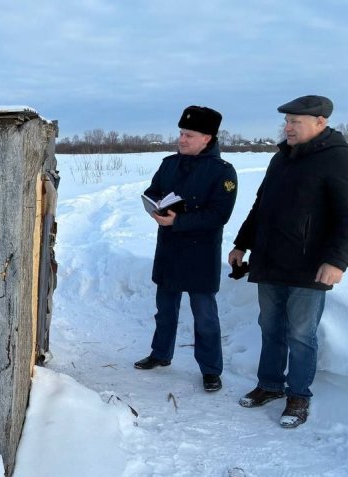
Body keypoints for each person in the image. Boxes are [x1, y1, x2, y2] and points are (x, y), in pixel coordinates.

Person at [230, 95, 348, 428]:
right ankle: (269, 385)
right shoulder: (281, 158)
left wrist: (337, 260)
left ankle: (299, 395)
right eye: (287, 121)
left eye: (296, 121)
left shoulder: (338, 159)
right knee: (270, 327)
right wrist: (242, 244)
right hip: (270, 259)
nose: (288, 127)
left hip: (309, 265)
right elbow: (260, 205)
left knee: (301, 333)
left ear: (320, 123)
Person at [134, 105, 238, 394]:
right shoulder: (169, 164)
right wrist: (154, 207)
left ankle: (210, 370)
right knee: (165, 309)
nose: (182, 139)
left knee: (205, 316)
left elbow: (219, 215)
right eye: (181, 133)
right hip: (169, 250)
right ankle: (160, 354)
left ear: (207, 138)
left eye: (189, 135)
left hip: (200, 255)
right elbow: (154, 190)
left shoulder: (223, 172)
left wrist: (178, 220)